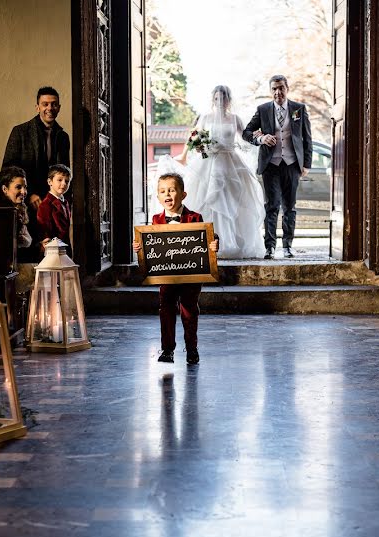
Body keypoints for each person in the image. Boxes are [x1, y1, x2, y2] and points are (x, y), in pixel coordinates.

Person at [162, 85, 265, 259]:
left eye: (223, 98)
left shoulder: (235, 119)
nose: (220, 102)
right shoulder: (206, 118)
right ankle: (202, 243)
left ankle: (231, 243)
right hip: (209, 164)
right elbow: (195, 137)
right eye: (216, 98)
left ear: (228, 100)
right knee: (208, 200)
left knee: (232, 202)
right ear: (213, 100)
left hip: (231, 163)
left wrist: (259, 137)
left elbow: (245, 136)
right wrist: (196, 152)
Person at [132, 173, 218, 364]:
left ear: (183, 194)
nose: (167, 194)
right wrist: (139, 248)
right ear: (158, 196)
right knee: (166, 311)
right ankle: (167, 349)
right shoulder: (155, 220)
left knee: (189, 311)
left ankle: (192, 349)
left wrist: (214, 244)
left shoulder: (195, 217)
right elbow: (151, 245)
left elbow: (209, 237)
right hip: (167, 276)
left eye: (172, 190)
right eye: (163, 191)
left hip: (190, 275)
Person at [243, 75, 312, 259]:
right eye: (274, 89)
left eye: (281, 88)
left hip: (291, 164)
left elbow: (307, 138)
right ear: (270, 91)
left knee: (290, 207)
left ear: (287, 88)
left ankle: (288, 246)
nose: (277, 92)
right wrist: (261, 139)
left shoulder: (299, 109)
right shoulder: (263, 109)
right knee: (272, 206)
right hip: (270, 165)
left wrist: (306, 164)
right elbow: (246, 132)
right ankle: (270, 248)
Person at [2, 86, 70, 212]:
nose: (49, 108)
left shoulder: (63, 137)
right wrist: (29, 194)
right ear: (37, 107)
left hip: (53, 205)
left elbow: (65, 172)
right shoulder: (20, 132)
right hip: (25, 202)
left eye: (54, 104)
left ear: (59, 108)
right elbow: (8, 170)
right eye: (45, 104)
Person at [0, 166, 32, 250]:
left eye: (25, 187)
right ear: (5, 189)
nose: (24, 192)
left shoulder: (19, 211)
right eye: (18, 187)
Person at [36, 164, 73, 252]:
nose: (64, 183)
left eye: (67, 181)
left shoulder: (65, 202)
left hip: (64, 247)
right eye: (59, 180)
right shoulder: (45, 204)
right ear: (50, 182)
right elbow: (44, 229)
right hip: (52, 249)